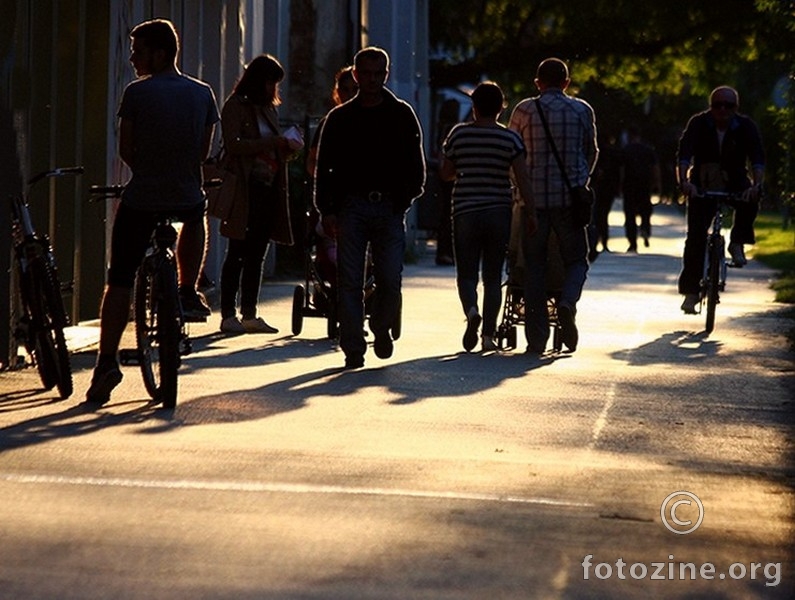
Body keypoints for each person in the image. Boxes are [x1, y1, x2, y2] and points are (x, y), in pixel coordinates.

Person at [85, 19, 219, 405]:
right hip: (184, 193)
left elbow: (127, 149)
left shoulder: (137, 93)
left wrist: (148, 170)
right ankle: (188, 289)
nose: (132, 58)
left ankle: (106, 362)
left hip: (143, 196)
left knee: (120, 280)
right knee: (196, 213)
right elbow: (202, 152)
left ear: (159, 54)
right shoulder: (202, 93)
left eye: (138, 51)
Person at [314, 46, 426, 369]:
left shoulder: (401, 114)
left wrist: (404, 200)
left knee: (390, 278)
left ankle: (380, 326)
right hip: (352, 207)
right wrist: (327, 208)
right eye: (367, 74)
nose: (373, 80)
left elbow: (415, 165)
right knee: (349, 279)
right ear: (357, 75)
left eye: (379, 74)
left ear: (386, 75)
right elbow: (326, 166)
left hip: (390, 208)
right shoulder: (340, 119)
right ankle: (352, 346)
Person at [508, 57, 597, 354]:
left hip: (532, 203)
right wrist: (580, 180)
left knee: (533, 266)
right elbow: (591, 151)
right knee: (576, 261)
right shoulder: (582, 110)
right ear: (567, 83)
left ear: (538, 83)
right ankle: (567, 303)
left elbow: (513, 154)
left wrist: (519, 189)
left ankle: (537, 338)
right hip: (569, 202)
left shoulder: (523, 110)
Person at [440, 81, 536, 353]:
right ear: (501, 108)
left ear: (474, 107)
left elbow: (445, 173)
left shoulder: (458, 135)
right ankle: (488, 336)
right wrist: (531, 211)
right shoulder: (510, 139)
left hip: (465, 211)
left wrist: (463, 169)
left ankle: (471, 311)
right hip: (498, 212)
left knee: (466, 275)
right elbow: (522, 178)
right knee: (493, 276)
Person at [217, 54, 297, 334]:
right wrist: (270, 142)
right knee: (237, 250)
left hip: (268, 187)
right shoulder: (236, 106)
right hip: (244, 187)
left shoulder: (268, 110)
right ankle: (228, 313)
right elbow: (233, 144)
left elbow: (270, 148)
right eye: (270, 83)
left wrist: (285, 148)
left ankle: (250, 312)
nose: (273, 90)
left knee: (257, 253)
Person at [676, 85, 765, 314]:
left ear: (736, 108)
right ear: (710, 106)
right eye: (717, 105)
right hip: (702, 184)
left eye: (728, 106)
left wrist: (756, 185)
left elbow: (757, 158)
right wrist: (685, 182)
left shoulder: (746, 127)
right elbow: (684, 153)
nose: (722, 110)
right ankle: (691, 292)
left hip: (735, 180)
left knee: (752, 199)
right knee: (695, 237)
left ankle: (737, 241)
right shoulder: (698, 123)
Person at [305, 65, 357, 178]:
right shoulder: (330, 121)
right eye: (346, 90)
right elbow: (312, 160)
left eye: (355, 89)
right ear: (338, 92)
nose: (350, 95)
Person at [621, 124, 661, 252]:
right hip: (645, 184)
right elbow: (655, 168)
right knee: (645, 210)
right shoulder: (648, 149)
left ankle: (632, 242)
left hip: (629, 184)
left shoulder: (626, 150)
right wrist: (657, 184)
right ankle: (645, 229)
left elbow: (621, 169)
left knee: (630, 213)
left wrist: (619, 184)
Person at [591, 132, 622, 257]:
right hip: (610, 188)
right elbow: (619, 171)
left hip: (598, 187)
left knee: (597, 215)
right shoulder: (613, 153)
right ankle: (603, 241)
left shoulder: (599, 153)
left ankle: (596, 242)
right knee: (604, 215)